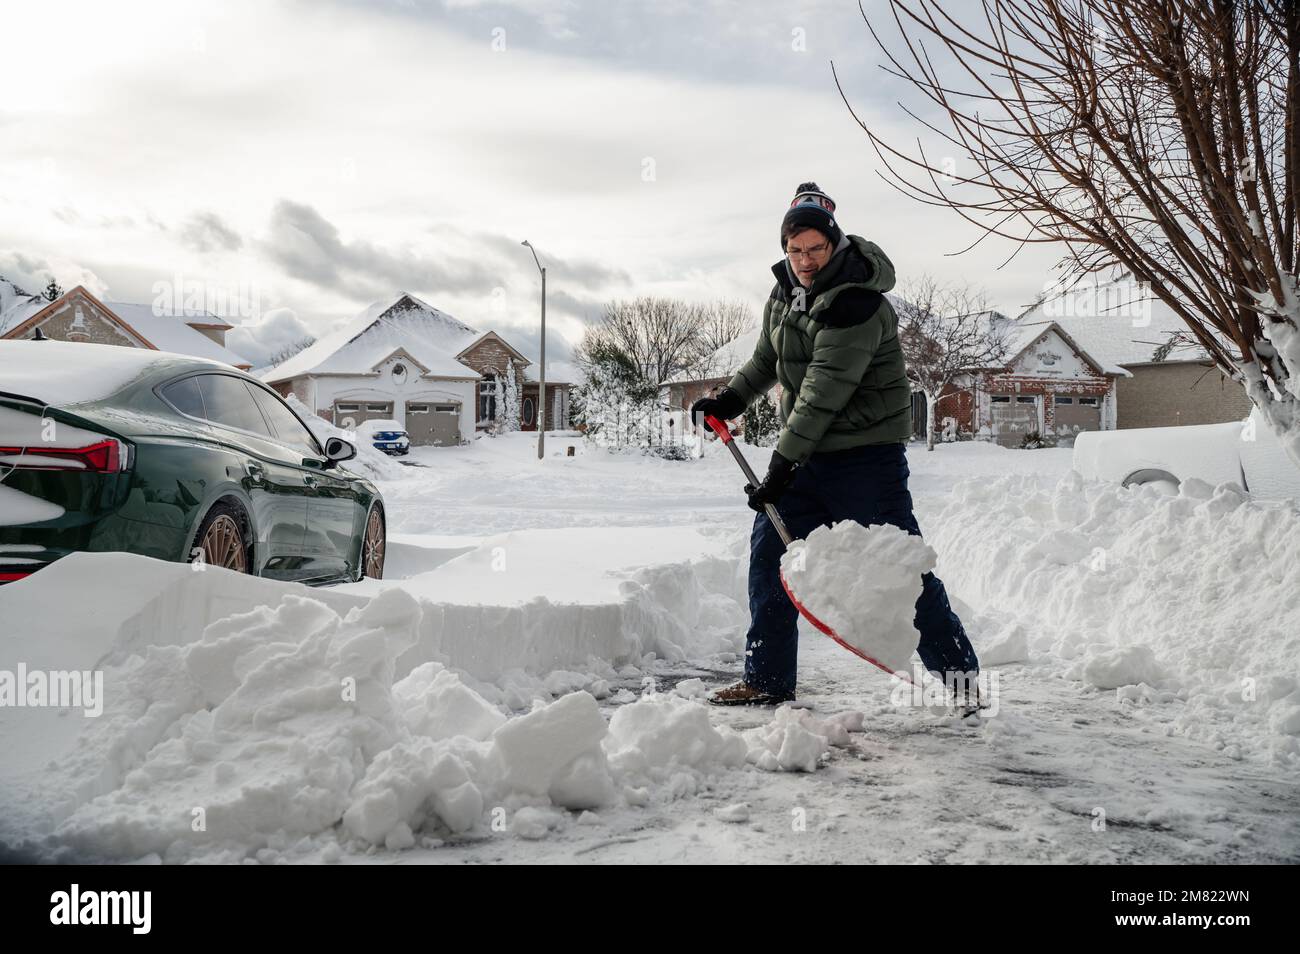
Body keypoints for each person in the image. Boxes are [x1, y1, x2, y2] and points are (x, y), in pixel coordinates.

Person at [692, 182, 979, 706]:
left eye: (815, 249)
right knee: (770, 562)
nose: (804, 260)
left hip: (865, 458)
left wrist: (780, 464)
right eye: (794, 249)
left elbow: (824, 391)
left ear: (835, 244)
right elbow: (767, 360)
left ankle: (963, 681)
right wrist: (729, 399)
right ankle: (767, 681)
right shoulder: (783, 295)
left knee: (898, 570)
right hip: (807, 456)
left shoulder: (857, 303)